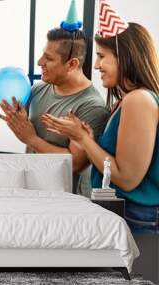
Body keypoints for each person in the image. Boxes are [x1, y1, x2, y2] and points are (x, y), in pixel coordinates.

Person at [41, 21, 159, 234]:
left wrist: (83, 139)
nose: (96, 65)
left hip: (136, 218)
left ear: (126, 56)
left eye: (102, 56)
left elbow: (126, 178)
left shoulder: (138, 100)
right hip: (127, 215)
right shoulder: (123, 102)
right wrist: (86, 138)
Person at [0, 1, 109, 194]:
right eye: (43, 54)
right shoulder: (38, 90)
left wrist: (30, 138)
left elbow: (75, 163)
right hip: (31, 192)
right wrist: (19, 124)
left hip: (66, 202)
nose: (40, 62)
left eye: (48, 58)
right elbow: (29, 138)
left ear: (72, 64)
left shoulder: (92, 106)